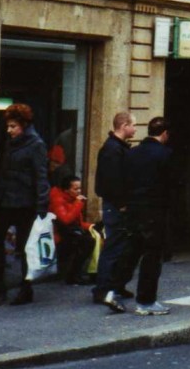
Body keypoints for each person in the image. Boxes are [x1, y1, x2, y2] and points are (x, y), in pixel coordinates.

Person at [104, 117, 178, 315]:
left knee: (130, 251)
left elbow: (122, 181)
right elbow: (171, 186)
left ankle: (112, 290)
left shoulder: (131, 153)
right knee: (152, 257)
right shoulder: (165, 154)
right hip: (154, 211)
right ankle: (146, 301)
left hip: (133, 210)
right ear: (165, 134)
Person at [0, 103, 48, 307]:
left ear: (24, 125)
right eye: (8, 126)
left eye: (13, 126)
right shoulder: (11, 143)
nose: (9, 131)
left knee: (26, 247)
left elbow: (41, 176)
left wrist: (42, 206)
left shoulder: (36, 144)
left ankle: (26, 289)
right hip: (4, 202)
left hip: (25, 203)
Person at [92, 111, 137, 305]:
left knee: (121, 247)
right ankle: (102, 289)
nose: (135, 129)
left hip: (118, 205)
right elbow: (112, 182)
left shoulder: (117, 148)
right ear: (124, 125)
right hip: (117, 206)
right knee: (113, 247)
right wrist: (122, 204)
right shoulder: (113, 149)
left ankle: (115, 285)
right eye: (133, 125)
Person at [49, 175, 95, 285]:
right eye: (76, 189)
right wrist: (78, 203)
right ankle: (73, 275)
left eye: (79, 188)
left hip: (68, 232)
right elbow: (66, 219)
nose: (79, 191)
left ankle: (83, 273)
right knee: (87, 242)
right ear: (66, 190)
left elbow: (76, 223)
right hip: (58, 235)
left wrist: (90, 226)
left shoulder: (72, 199)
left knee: (92, 237)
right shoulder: (58, 200)